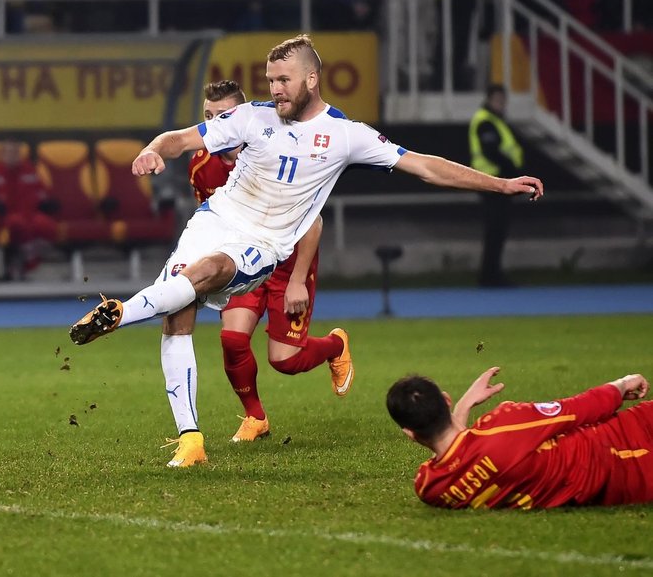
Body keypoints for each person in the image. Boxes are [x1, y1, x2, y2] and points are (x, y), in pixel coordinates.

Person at [69, 33, 544, 468]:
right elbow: (181, 138)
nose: (275, 88)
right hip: (212, 221)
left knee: (207, 275)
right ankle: (190, 439)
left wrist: (499, 184)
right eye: (270, 79)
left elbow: (424, 166)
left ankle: (121, 312)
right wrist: (153, 148)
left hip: (262, 244)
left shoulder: (346, 135)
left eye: (284, 79)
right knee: (177, 309)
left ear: (312, 79)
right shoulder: (250, 116)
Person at [189, 80, 346, 444]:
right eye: (208, 117)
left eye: (224, 116)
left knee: (286, 361)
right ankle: (255, 416)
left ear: (242, 117)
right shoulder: (201, 165)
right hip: (245, 264)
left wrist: (296, 282)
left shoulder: (278, 150)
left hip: (290, 263)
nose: (215, 125)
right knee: (231, 338)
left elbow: (314, 221)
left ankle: (335, 346)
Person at [386, 366, 653, 509]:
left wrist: (463, 408)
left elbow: (459, 456)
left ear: (409, 433)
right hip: (623, 445)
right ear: (446, 400)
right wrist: (621, 385)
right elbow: (577, 409)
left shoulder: (430, 487)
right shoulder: (503, 425)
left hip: (621, 488)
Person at [0, 140, 58, 281]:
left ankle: (27, 260)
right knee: (18, 225)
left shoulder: (29, 170)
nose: (12, 156)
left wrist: (46, 202)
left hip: (31, 214)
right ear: (2, 154)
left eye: (15, 153)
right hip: (4, 217)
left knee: (47, 226)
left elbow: (41, 191)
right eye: (8, 152)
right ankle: (19, 263)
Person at [468, 84, 523, 287]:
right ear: (490, 99)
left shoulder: (493, 120)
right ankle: (490, 276)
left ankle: (491, 274)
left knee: (497, 231)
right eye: (498, 100)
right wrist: (513, 175)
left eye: (503, 100)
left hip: (495, 182)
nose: (501, 104)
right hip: (493, 182)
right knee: (495, 231)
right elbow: (492, 152)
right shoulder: (485, 121)